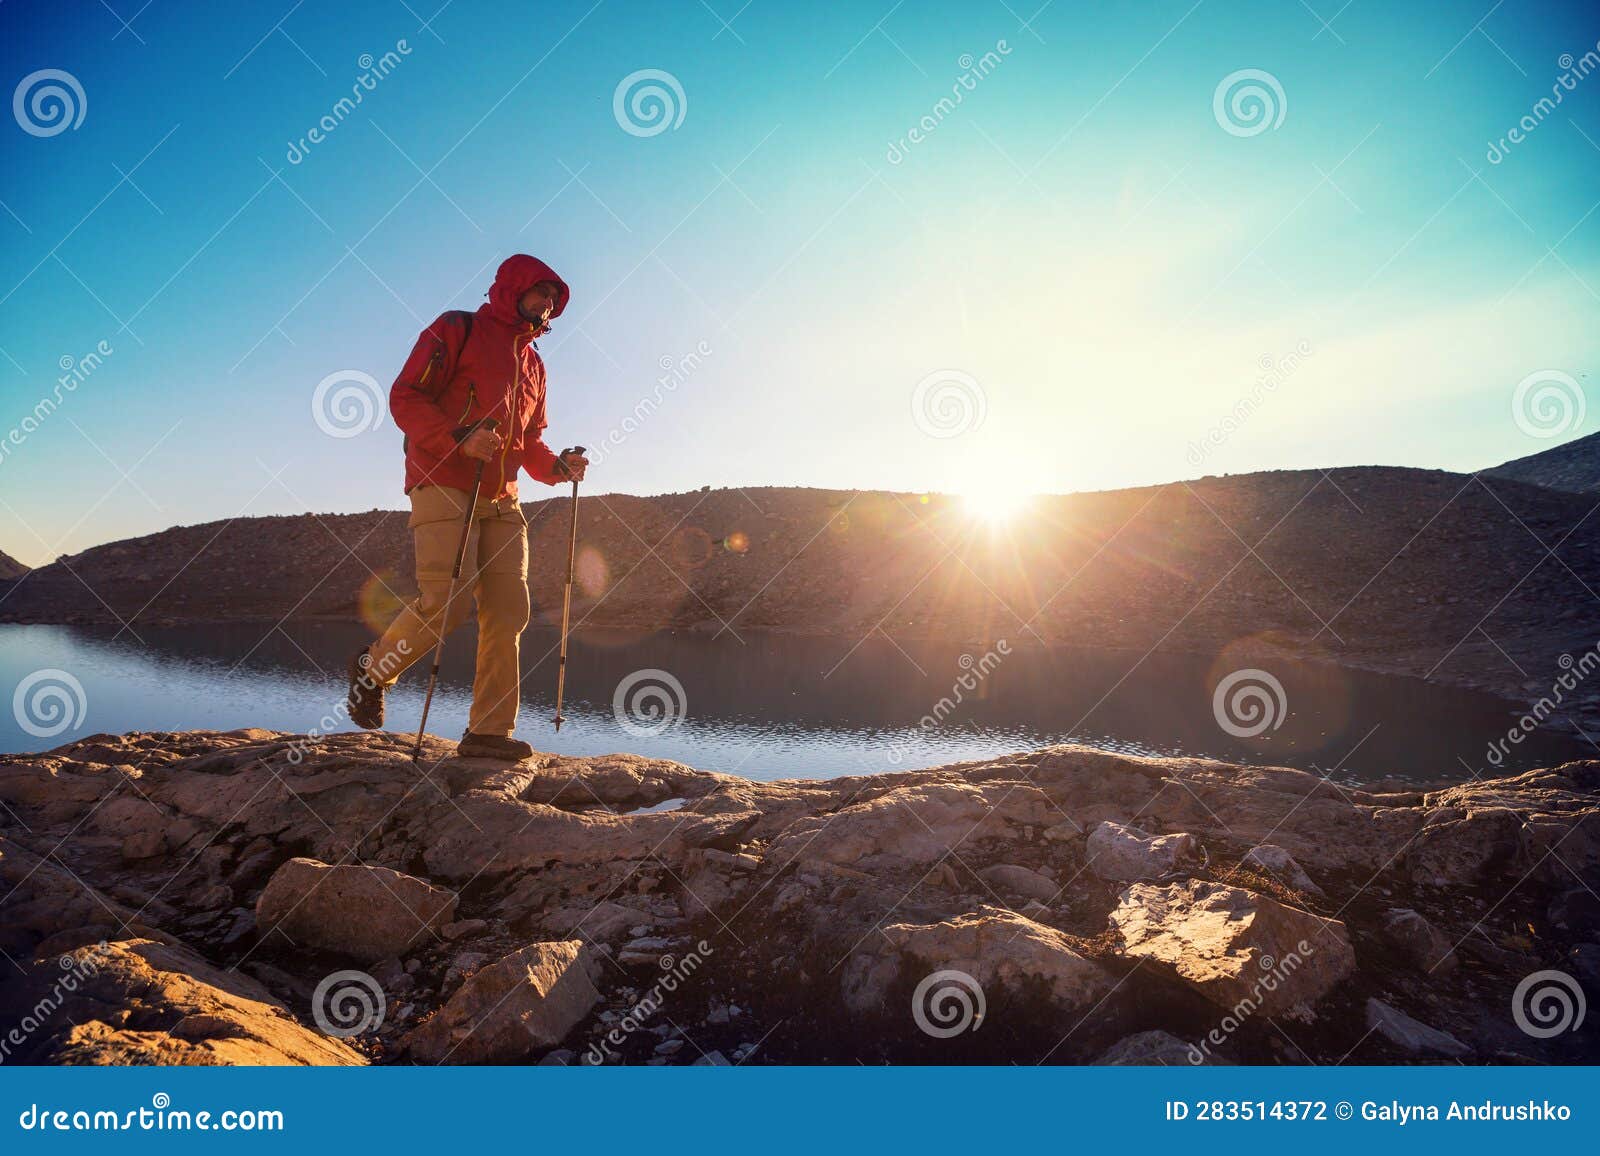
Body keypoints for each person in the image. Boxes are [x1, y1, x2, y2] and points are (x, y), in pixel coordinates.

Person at [346, 254, 588, 760]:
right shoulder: (457, 329)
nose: (546, 305)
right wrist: (457, 438)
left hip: (502, 496)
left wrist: (558, 468)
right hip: (444, 481)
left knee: (509, 611)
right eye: (538, 293)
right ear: (513, 288)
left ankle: (488, 734)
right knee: (449, 602)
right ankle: (373, 671)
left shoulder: (535, 365)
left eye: (552, 298)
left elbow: (530, 443)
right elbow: (405, 396)